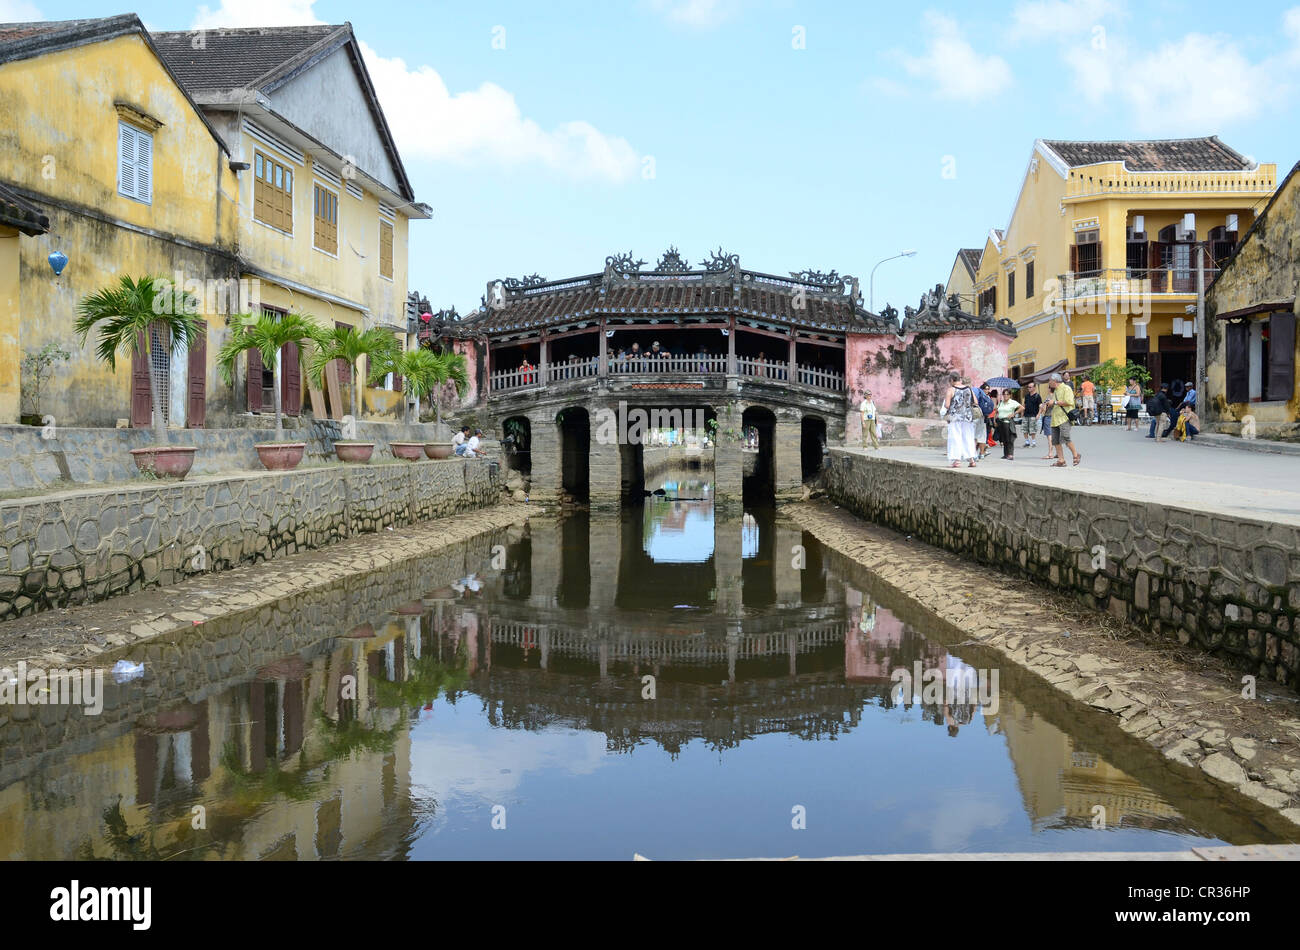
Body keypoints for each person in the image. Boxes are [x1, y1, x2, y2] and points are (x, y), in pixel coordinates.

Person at [941, 373, 978, 468]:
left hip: (955, 418)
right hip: (968, 417)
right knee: (968, 437)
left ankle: (957, 460)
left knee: (955, 437)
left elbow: (947, 405)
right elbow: (975, 402)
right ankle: (971, 460)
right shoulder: (969, 389)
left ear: (952, 380)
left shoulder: (951, 390)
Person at [1045, 372, 1081, 466]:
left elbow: (1069, 402)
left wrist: (1055, 402)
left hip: (1064, 418)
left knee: (1065, 437)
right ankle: (1061, 460)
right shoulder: (1056, 390)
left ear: (1054, 381)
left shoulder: (1066, 388)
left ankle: (1076, 455)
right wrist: (1049, 403)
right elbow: (1054, 402)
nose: (1049, 382)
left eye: (1050, 381)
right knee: (1055, 440)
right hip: (1055, 418)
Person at [995, 389, 1023, 460]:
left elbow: (1022, 408)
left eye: (1007, 394)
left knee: (1010, 439)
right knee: (1003, 439)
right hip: (1001, 422)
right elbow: (997, 410)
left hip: (1008, 422)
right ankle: (1005, 454)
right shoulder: (1001, 403)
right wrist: (996, 417)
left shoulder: (1012, 402)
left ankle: (1010, 454)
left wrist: (1014, 414)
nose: (1005, 396)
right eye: (1004, 394)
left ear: (1010, 395)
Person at [973, 383, 995, 460]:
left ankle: (978, 453)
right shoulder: (986, 397)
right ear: (982, 389)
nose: (987, 390)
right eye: (986, 389)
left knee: (979, 436)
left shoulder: (979, 396)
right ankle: (979, 453)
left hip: (979, 417)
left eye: (988, 389)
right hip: (982, 417)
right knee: (980, 435)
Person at [1021, 381, 1042, 448]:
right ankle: (1027, 442)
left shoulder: (1037, 396)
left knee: (1032, 429)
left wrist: (1038, 414)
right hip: (1026, 415)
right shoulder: (1027, 396)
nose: (1028, 388)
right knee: (1024, 429)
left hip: (1033, 415)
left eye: (1030, 387)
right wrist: (1022, 412)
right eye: (1028, 387)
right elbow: (1024, 405)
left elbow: (1040, 406)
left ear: (1034, 388)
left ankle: (1033, 442)